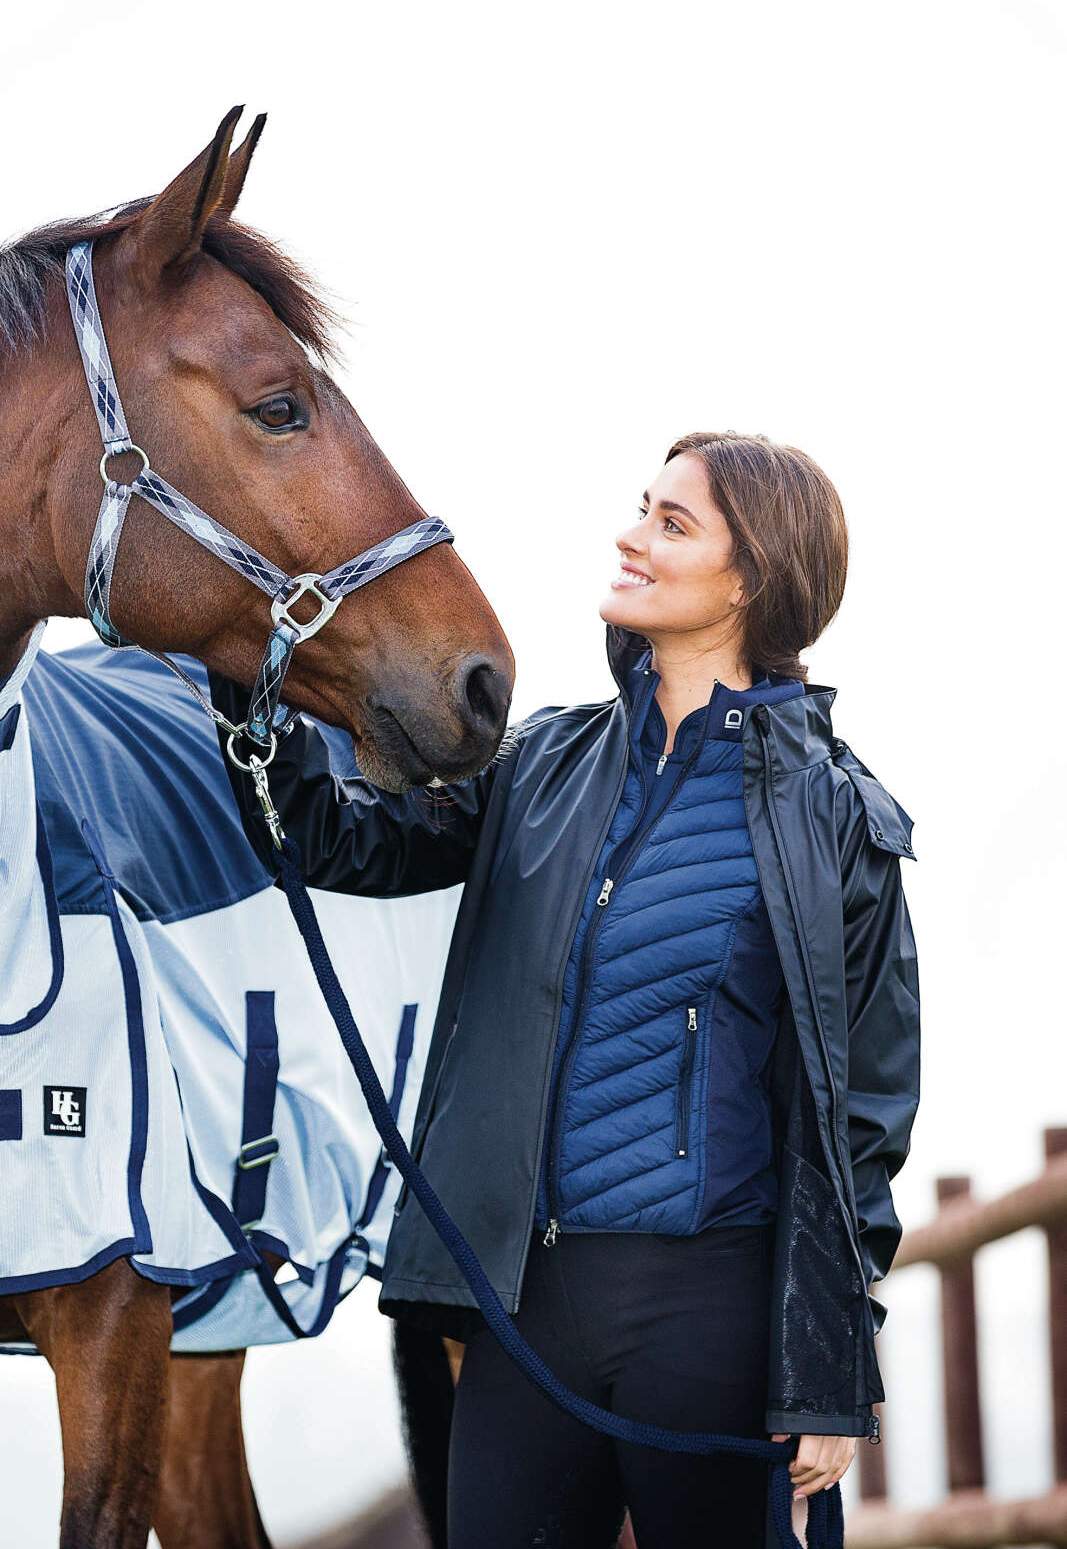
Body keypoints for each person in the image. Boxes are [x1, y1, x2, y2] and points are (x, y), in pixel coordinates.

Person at [211, 431, 921, 1548]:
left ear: (750, 580)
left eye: (670, 523)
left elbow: (864, 1115)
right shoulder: (535, 765)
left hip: (718, 1317)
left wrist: (826, 1362)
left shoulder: (838, 821)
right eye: (641, 506)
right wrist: (247, 673)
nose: (629, 536)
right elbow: (334, 843)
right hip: (528, 1314)